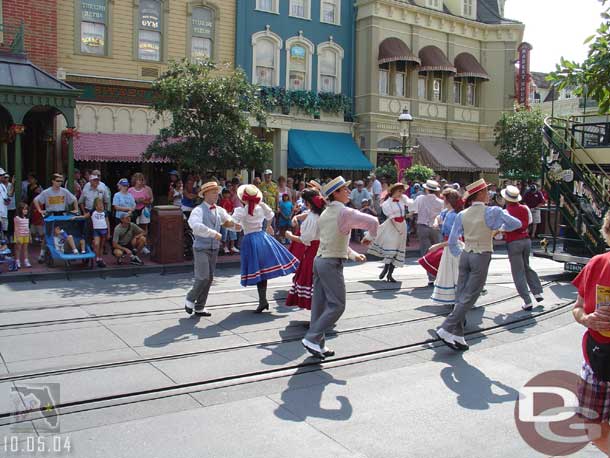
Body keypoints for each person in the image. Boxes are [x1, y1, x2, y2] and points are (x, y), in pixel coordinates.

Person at [435, 179, 521, 351]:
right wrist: (499, 228)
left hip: (466, 254)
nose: (489, 194)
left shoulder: (462, 214)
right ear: (480, 194)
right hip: (482, 254)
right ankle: (446, 328)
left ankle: (458, 335)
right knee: (471, 295)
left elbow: (453, 241)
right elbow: (516, 224)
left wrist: (463, 252)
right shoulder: (493, 211)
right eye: (487, 191)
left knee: (461, 294)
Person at [302, 176, 379, 359]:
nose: (348, 192)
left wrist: (352, 254)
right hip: (331, 263)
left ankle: (318, 344)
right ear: (335, 194)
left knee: (319, 305)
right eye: (345, 189)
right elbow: (374, 222)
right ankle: (312, 338)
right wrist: (369, 237)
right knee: (337, 305)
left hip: (319, 260)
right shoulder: (344, 212)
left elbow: (334, 237)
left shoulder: (326, 213)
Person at [572, 210, 610, 456]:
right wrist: (587, 319)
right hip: (597, 361)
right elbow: (576, 308)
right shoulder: (597, 263)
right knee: (591, 425)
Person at [232, 184, 299, 313]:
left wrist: (232, 224)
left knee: (258, 269)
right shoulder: (261, 206)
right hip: (262, 238)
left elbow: (235, 224)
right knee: (262, 270)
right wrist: (268, 226)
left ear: (243, 198)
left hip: (250, 240)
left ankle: (262, 300)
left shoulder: (241, 210)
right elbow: (271, 215)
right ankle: (262, 300)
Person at [185, 182, 239, 316]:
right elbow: (195, 226)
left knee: (209, 278)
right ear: (205, 194)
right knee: (202, 277)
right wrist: (213, 233)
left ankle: (200, 306)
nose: (217, 195)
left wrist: (237, 226)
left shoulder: (219, 210)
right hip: (201, 248)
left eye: (217, 192)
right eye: (214, 192)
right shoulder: (198, 210)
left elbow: (227, 221)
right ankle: (190, 298)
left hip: (214, 249)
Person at [501, 185, 544, 311]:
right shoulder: (525, 208)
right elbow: (529, 222)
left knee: (517, 272)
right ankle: (537, 292)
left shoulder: (505, 212)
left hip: (513, 242)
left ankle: (527, 300)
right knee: (527, 266)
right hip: (526, 240)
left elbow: (503, 228)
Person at [285, 189, 325, 310]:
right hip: (324, 250)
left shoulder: (312, 218)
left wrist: (290, 236)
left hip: (312, 252)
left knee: (310, 280)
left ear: (308, 203)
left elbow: (305, 239)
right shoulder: (323, 213)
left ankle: (316, 314)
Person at [425, 188, 464, 305]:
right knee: (451, 273)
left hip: (453, 246)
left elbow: (455, 238)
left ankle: (456, 299)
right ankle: (455, 298)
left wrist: (438, 246)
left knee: (453, 273)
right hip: (450, 245)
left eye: (443, 198)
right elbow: (439, 216)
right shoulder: (448, 212)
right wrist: (437, 223)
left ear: (447, 200)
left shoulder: (453, 215)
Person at [368, 183, 411, 282]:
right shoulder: (387, 203)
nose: (401, 193)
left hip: (402, 225)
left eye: (402, 191)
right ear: (393, 191)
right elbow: (391, 218)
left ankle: (390, 274)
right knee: (391, 248)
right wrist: (398, 229)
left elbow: (411, 204)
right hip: (392, 226)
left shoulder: (402, 199)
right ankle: (385, 269)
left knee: (397, 250)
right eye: (399, 191)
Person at [34, 174, 79, 263]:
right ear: (53, 181)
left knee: (64, 234)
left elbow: (74, 199)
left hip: (61, 215)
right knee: (47, 235)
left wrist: (76, 209)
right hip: (51, 216)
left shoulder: (64, 191)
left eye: (61, 181)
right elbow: (36, 200)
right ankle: (42, 254)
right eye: (58, 181)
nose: (59, 183)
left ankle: (68, 252)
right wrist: (40, 210)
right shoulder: (46, 192)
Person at [413, 179, 444, 286]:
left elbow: (413, 210)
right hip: (436, 228)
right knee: (438, 251)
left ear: (426, 189)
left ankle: (431, 277)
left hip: (422, 226)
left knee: (426, 252)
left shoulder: (420, 199)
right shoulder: (441, 202)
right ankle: (438, 275)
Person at [89, 197, 110, 268]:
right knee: (96, 244)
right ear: (96, 205)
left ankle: (100, 258)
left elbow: (107, 222)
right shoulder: (92, 211)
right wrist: (76, 217)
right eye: (99, 204)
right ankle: (97, 257)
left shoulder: (105, 212)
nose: (101, 205)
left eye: (101, 204)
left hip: (104, 229)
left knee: (101, 245)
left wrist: (109, 232)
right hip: (96, 230)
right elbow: (85, 216)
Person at [219, 188, 239, 255]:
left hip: (231, 217)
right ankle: (225, 246)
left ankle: (232, 246)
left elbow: (233, 208)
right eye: (226, 193)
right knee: (224, 233)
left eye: (228, 193)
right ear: (223, 194)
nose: (227, 194)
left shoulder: (230, 201)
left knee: (232, 232)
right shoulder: (222, 201)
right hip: (224, 218)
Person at [13, 203, 31, 269]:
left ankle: (26, 260)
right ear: (20, 210)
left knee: (25, 248)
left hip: (26, 235)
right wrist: (17, 237)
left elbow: (28, 228)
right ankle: (17, 261)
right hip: (19, 235)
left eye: (26, 209)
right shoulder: (17, 218)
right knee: (18, 249)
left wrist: (30, 236)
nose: (25, 211)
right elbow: (16, 228)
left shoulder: (27, 218)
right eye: (24, 209)